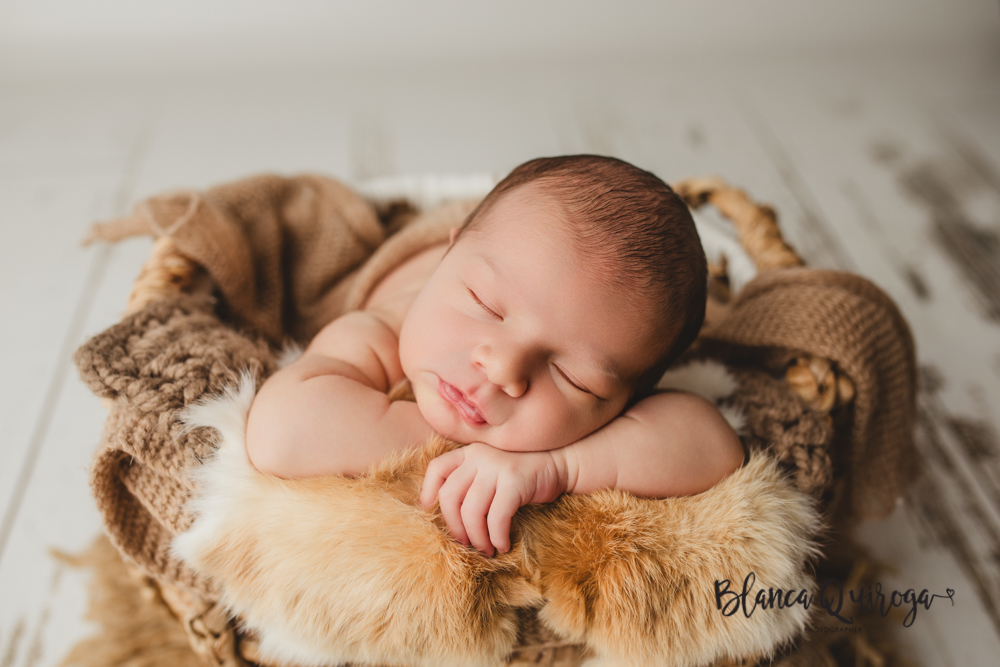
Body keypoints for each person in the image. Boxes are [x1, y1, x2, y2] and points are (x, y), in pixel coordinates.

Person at [245, 155, 745, 557]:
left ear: (630, 401)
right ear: (450, 256)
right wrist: (456, 450)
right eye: (485, 306)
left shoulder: (615, 362)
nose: (503, 367)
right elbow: (281, 434)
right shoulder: (380, 333)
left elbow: (716, 449)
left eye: (574, 378)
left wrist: (558, 468)